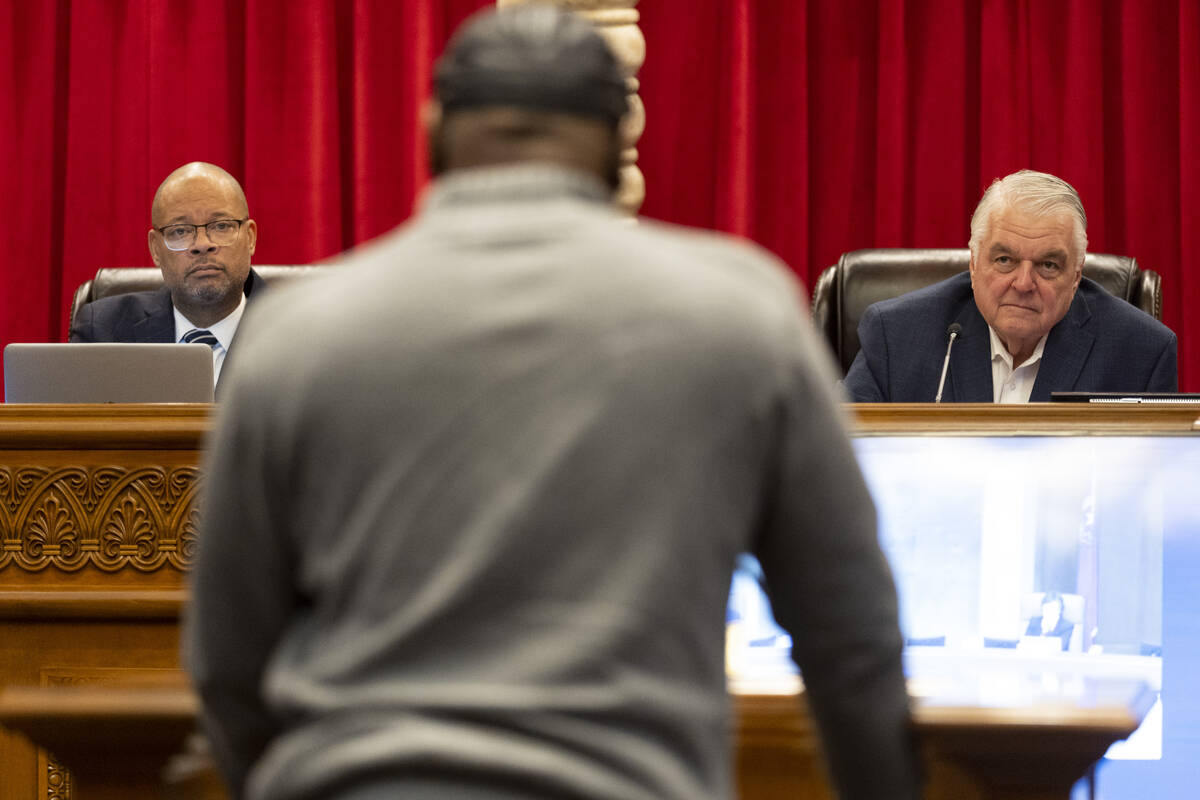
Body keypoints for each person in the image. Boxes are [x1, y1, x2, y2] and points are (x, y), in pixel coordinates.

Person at [184, 7, 919, 800]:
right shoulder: (741, 314)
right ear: (619, 138)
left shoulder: (295, 336)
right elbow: (853, 640)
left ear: (432, 128)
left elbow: (227, 662)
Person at [843, 169, 1177, 402]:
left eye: (1048, 265)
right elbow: (843, 464)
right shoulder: (895, 336)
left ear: (1076, 276)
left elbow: (1150, 489)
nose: (1023, 283)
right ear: (974, 262)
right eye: (1005, 260)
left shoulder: (1141, 353)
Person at [69, 161, 266, 387]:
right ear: (155, 249)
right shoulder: (104, 330)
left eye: (221, 226)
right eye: (180, 231)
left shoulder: (303, 337)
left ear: (250, 238)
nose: (201, 244)